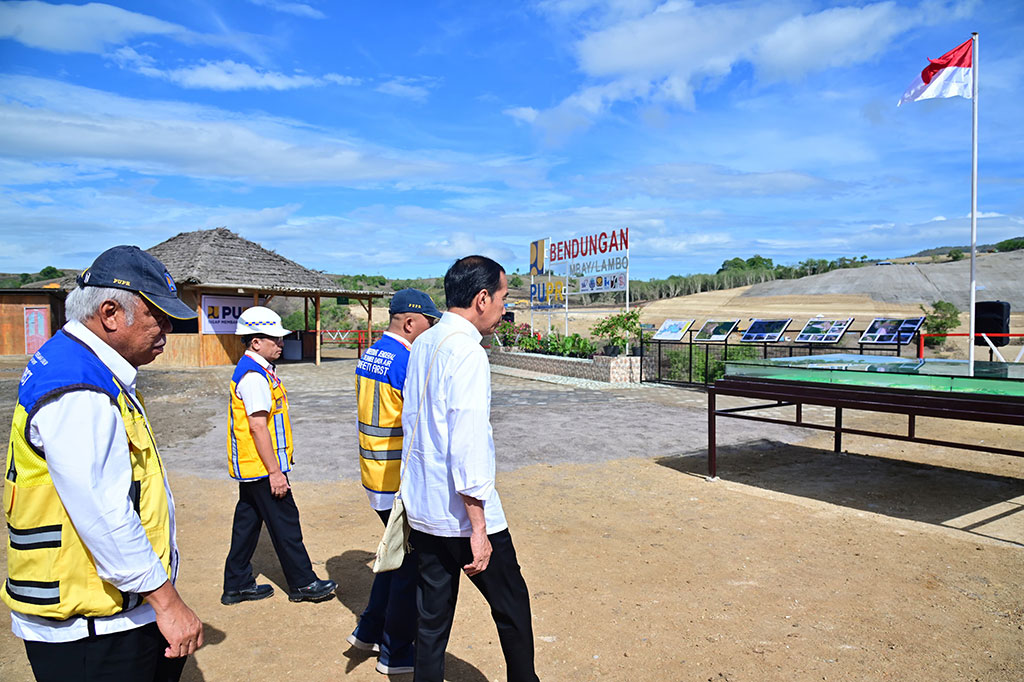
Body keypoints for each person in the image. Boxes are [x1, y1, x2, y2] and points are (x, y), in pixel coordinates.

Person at [2, 245, 204, 681]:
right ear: (111, 313)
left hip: (98, 610)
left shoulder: (84, 366)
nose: (167, 332)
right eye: (159, 318)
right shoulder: (80, 388)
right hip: (92, 624)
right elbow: (103, 511)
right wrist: (167, 603)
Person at [400, 256, 540, 682]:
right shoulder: (467, 352)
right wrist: (478, 526)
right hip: (463, 515)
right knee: (512, 605)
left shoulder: (424, 341)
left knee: (431, 618)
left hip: (425, 509)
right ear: (482, 299)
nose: (504, 308)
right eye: (502, 298)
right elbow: (468, 442)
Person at [349, 289, 440, 675]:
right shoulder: (405, 361)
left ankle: (367, 629)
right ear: (409, 322)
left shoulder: (371, 354)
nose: (430, 331)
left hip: (376, 474)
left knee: (392, 558)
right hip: (397, 479)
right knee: (407, 569)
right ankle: (395, 652)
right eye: (428, 324)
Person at [221, 306, 336, 605]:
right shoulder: (255, 377)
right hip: (262, 467)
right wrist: (275, 471)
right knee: (286, 523)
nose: (281, 343)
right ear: (255, 342)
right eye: (275, 338)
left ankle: (236, 583)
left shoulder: (255, 371)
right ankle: (303, 583)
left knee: (247, 524)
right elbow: (259, 427)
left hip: (252, 466)